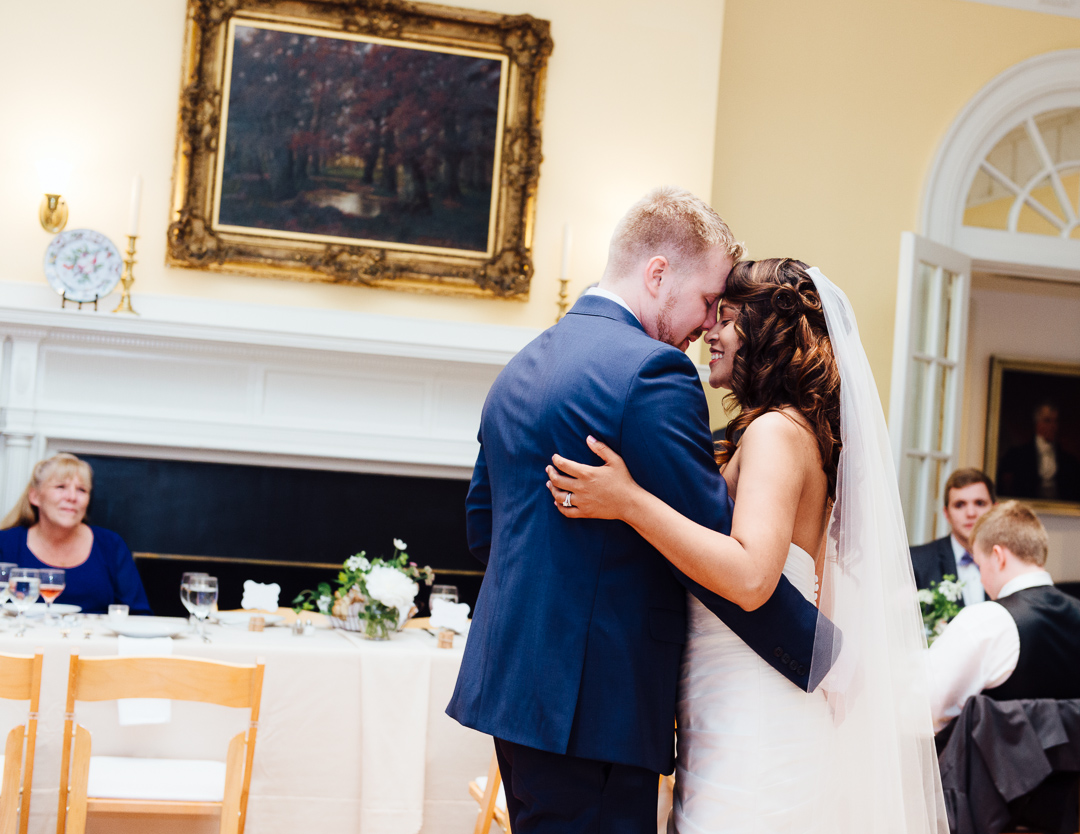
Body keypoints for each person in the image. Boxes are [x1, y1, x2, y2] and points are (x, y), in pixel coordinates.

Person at [447, 190, 834, 834]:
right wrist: (822, 657)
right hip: (597, 707)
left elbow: (483, 527)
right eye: (709, 302)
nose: (707, 326)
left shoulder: (521, 365)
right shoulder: (652, 372)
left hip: (514, 694)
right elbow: (719, 548)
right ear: (658, 275)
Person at [546, 258, 946, 833]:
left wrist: (628, 501)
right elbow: (816, 581)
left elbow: (755, 578)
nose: (710, 329)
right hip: (731, 710)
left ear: (767, 333)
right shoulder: (789, 430)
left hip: (756, 721)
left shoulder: (776, 432)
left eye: (727, 318)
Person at [927, 500, 1080, 733]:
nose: (981, 579)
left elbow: (925, 708)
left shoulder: (988, 620)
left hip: (999, 768)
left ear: (998, 556)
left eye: (979, 565)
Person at [0, 453, 151, 615]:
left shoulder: (110, 544)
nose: (72, 497)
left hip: (94, 639)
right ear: (35, 496)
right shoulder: (6, 543)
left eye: (81, 490)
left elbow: (139, 614)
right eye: (60, 487)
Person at [910, 468, 995, 607]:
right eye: (960, 505)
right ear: (946, 513)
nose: (971, 513)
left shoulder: (1010, 562)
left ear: (994, 509)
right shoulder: (917, 562)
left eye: (979, 503)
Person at [997, 401, 1080, 502]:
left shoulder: (1069, 461)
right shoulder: (1017, 455)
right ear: (1037, 423)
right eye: (1047, 421)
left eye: (1056, 421)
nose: (1053, 426)